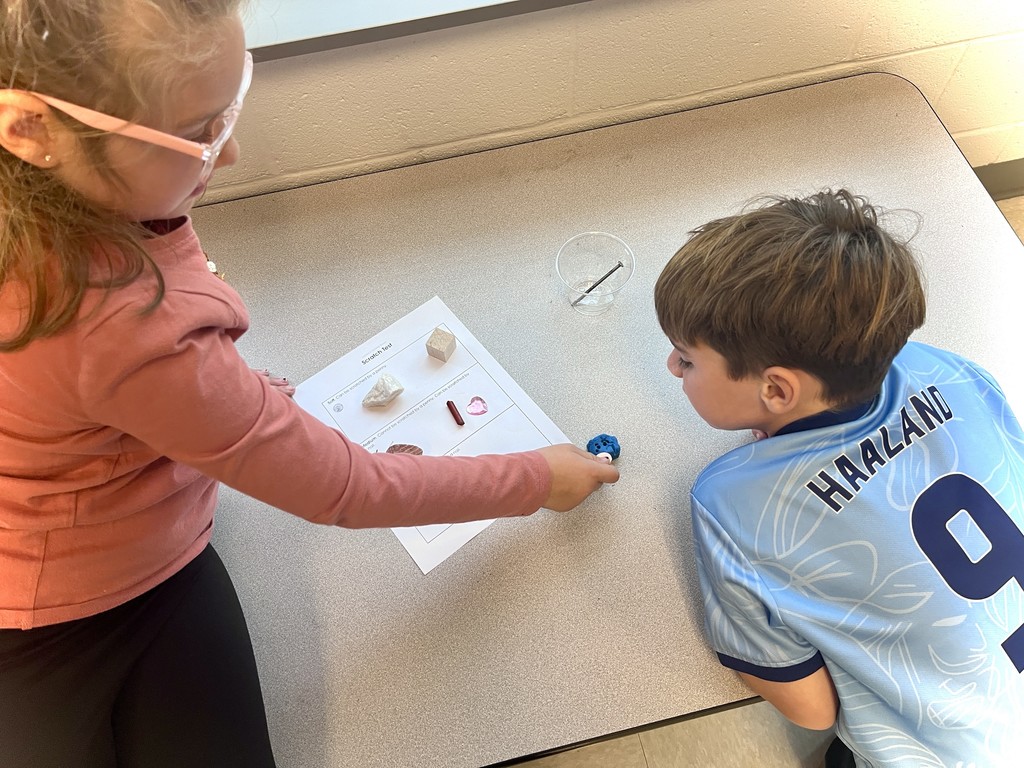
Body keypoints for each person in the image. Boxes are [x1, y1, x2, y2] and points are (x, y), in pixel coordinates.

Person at [0, 2, 619, 766]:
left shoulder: (61, 210)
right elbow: (350, 488)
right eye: (198, 133)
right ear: (30, 130)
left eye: (230, 109)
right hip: (86, 586)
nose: (228, 155)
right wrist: (536, 477)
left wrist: (209, 398)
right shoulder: (126, 331)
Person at [654, 189, 1024, 766]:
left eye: (687, 358)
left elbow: (813, 711)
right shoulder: (947, 368)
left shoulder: (731, 501)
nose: (672, 366)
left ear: (776, 390)